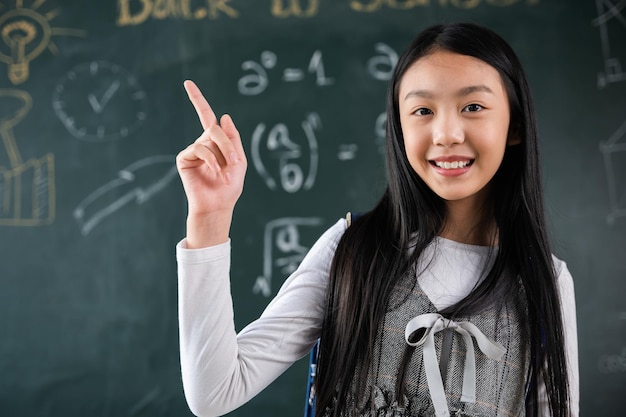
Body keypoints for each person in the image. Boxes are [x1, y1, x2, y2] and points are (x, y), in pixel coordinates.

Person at [175, 22, 579, 417]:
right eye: (422, 110)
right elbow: (214, 393)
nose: (446, 133)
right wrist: (209, 217)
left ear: (516, 126)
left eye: (473, 106)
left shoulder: (544, 280)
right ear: (399, 129)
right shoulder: (352, 248)